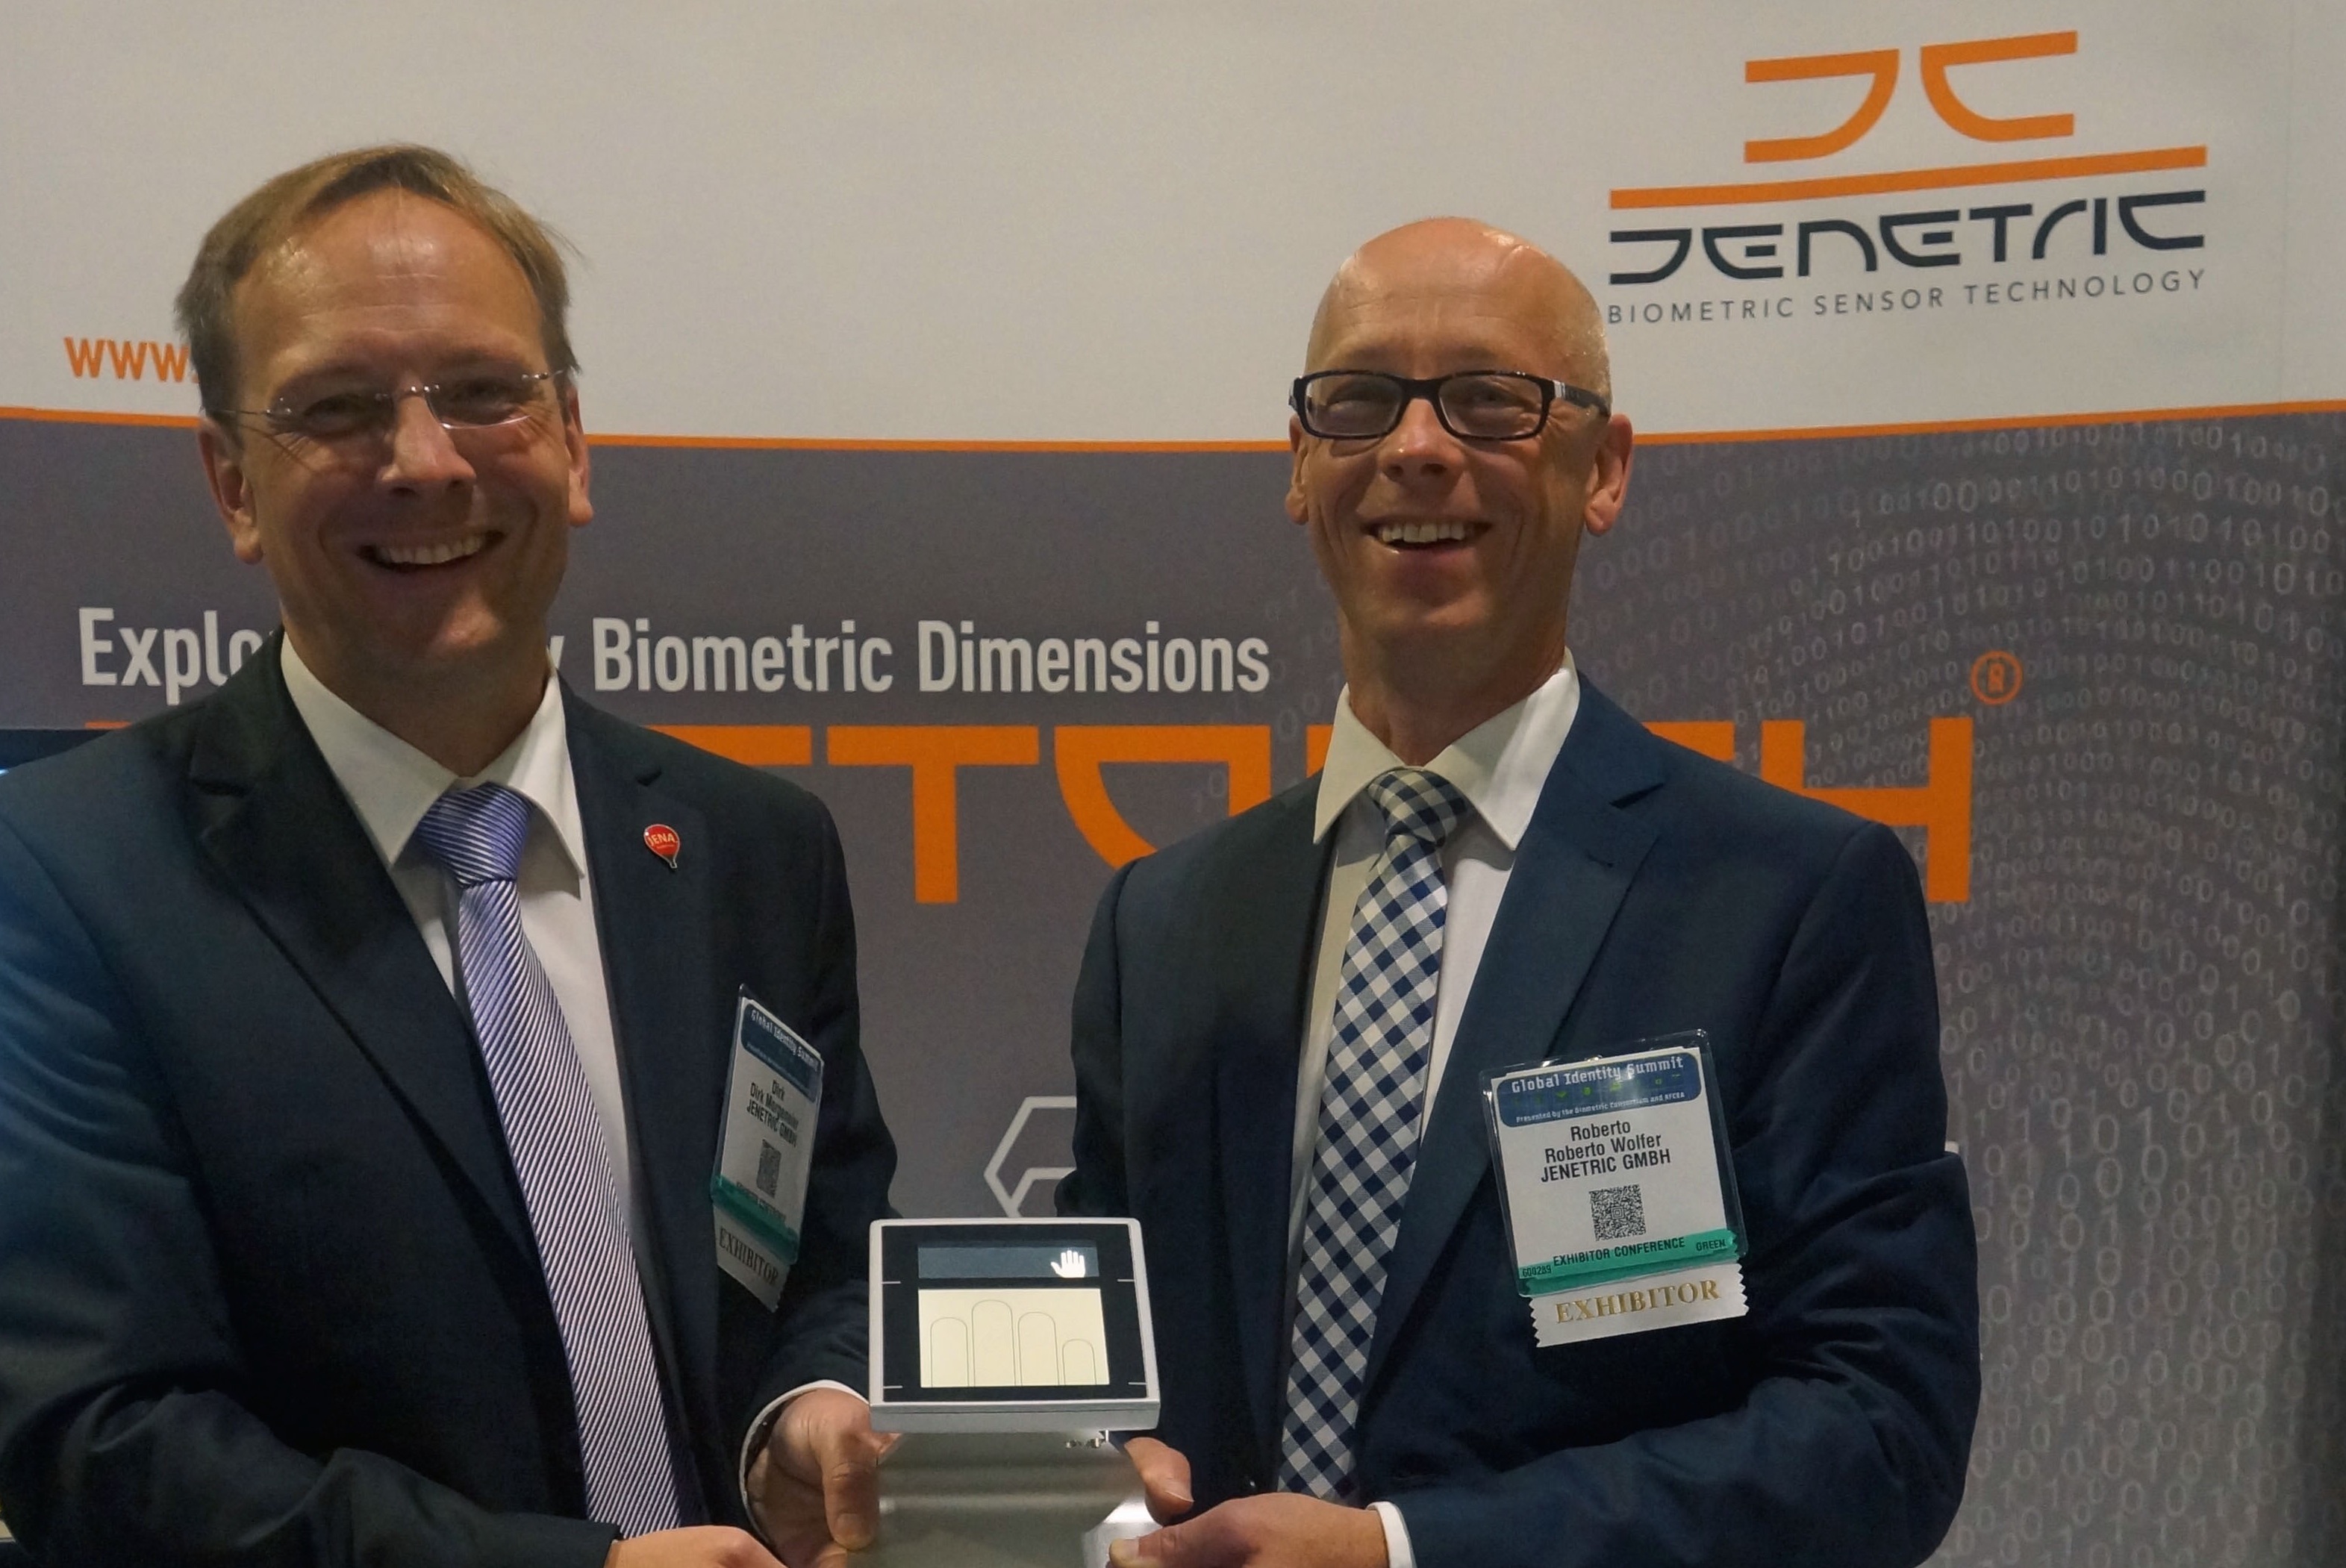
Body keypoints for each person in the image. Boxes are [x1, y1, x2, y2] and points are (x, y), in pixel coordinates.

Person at [0, 146, 896, 1568]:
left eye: (485, 391)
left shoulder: (753, 849)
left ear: (574, 441)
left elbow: (826, 1252)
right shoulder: (64, 877)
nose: (426, 462)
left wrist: (808, 1410)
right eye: (337, 408)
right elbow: (100, 1436)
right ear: (233, 484)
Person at [1057, 218, 1980, 1568]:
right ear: (1301, 466)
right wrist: (1079, 1456)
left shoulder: (1788, 900)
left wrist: (1401, 1551)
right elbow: (1097, 1359)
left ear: (1603, 469)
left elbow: (1879, 1431)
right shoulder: (1164, 922)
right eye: (1359, 400)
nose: (1416, 446)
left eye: (1489, 400)